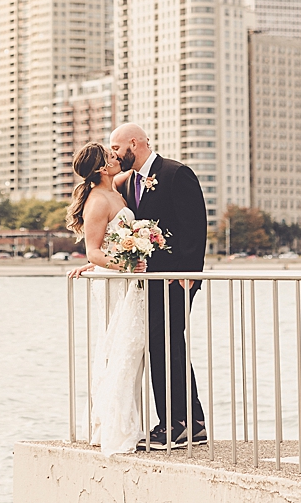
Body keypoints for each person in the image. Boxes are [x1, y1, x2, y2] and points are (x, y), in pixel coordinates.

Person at [109, 122, 207, 451]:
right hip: (149, 279)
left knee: (164, 346)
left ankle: (173, 424)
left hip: (176, 279)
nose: (115, 154)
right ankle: (192, 422)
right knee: (167, 346)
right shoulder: (129, 182)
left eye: (117, 148)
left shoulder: (176, 173)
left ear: (134, 144)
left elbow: (195, 224)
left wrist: (189, 273)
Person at [65, 141, 148, 455]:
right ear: (101, 167)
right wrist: (124, 264)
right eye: (113, 156)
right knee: (121, 348)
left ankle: (126, 423)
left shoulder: (116, 190)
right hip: (117, 283)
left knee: (130, 348)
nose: (118, 158)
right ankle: (116, 428)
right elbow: (94, 251)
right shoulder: (98, 200)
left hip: (128, 281)